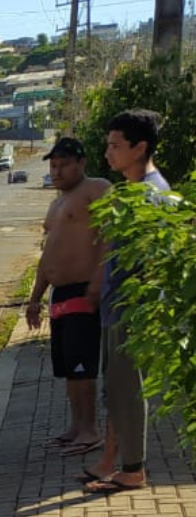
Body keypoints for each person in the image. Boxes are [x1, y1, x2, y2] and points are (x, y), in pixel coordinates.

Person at [84, 109, 171, 494]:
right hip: (117, 307)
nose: (108, 153)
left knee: (127, 391)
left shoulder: (150, 195)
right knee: (116, 389)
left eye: (115, 146)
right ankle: (113, 460)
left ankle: (132, 469)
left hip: (132, 312)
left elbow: (151, 261)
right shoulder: (134, 191)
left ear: (140, 148)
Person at [24, 137, 112, 456]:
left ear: (81, 163)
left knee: (81, 366)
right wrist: (35, 298)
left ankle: (90, 431)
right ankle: (76, 426)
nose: (57, 171)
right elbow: (48, 255)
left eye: (63, 165)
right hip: (59, 293)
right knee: (66, 367)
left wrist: (99, 279)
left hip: (83, 288)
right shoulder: (56, 203)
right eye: (53, 166)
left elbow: (111, 234)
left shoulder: (97, 189)